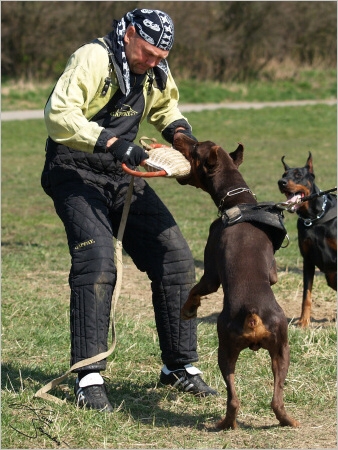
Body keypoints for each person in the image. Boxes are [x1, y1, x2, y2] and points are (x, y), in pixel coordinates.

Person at [41, 8, 217, 412]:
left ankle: (179, 367)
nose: (155, 63)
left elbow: (164, 109)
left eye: (161, 57)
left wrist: (181, 138)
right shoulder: (93, 58)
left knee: (174, 257)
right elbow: (58, 115)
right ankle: (88, 376)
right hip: (73, 169)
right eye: (150, 53)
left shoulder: (155, 67)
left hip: (122, 173)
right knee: (98, 259)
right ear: (130, 34)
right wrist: (114, 143)